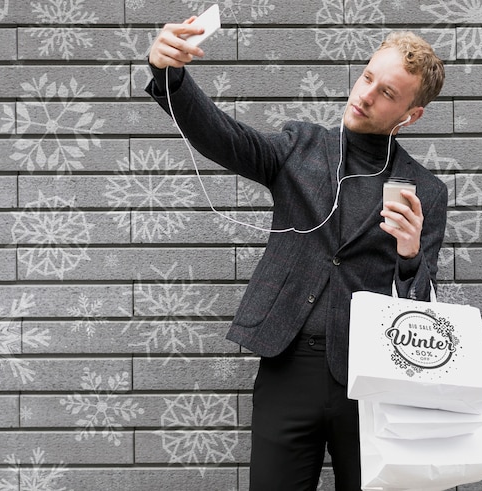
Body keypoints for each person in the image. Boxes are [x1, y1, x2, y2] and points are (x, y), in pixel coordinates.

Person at [146, 18, 447, 491]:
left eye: (387, 93)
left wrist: (410, 254)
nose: (365, 95)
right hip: (288, 366)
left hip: (371, 384)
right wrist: (171, 76)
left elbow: (424, 313)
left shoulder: (425, 192)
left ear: (411, 115)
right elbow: (227, 138)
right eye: (367, 77)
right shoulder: (301, 146)